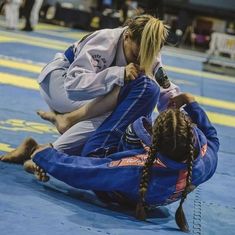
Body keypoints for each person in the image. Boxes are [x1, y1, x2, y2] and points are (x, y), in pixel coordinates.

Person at [1, 90, 219, 232]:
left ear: (155, 143)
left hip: (105, 170)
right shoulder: (202, 162)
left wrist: (44, 154)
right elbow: (212, 139)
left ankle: (60, 123)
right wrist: (191, 103)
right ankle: (61, 123)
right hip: (139, 193)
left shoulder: (136, 168)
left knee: (145, 89)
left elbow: (85, 172)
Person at [36, 14, 179, 155]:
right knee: (115, 111)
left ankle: (37, 148)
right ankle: (52, 151)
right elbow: (73, 87)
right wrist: (118, 74)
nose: (141, 60)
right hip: (58, 82)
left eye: (147, 56)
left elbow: (165, 89)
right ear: (127, 36)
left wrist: (180, 117)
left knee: (129, 108)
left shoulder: (148, 50)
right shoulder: (105, 40)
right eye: (136, 55)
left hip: (85, 93)